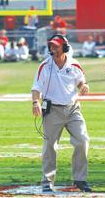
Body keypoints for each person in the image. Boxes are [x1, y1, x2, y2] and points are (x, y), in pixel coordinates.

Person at [31, 34, 91, 193]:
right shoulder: (45, 65)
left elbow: (80, 81)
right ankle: (47, 180)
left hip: (73, 109)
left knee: (83, 140)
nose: (53, 49)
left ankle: (80, 179)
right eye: (51, 46)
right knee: (50, 145)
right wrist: (35, 102)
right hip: (53, 110)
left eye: (56, 46)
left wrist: (84, 87)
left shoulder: (74, 64)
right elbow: (36, 87)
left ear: (64, 47)